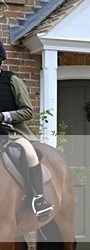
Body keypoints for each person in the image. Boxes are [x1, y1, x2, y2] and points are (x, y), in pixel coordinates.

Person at [0, 39, 54, 220]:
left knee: (30, 154)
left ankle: (39, 198)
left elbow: (28, 111)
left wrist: (4, 116)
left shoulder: (12, 81)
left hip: (11, 131)